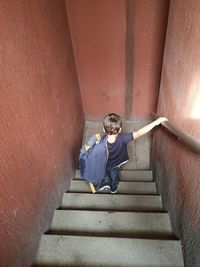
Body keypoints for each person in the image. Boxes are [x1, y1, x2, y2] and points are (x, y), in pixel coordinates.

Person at [98, 113, 168, 193]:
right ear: (120, 129)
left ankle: (106, 181)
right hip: (116, 163)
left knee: (105, 170)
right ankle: (113, 188)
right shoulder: (124, 139)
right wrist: (156, 122)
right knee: (114, 173)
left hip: (105, 162)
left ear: (103, 129)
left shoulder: (100, 141)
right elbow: (139, 133)